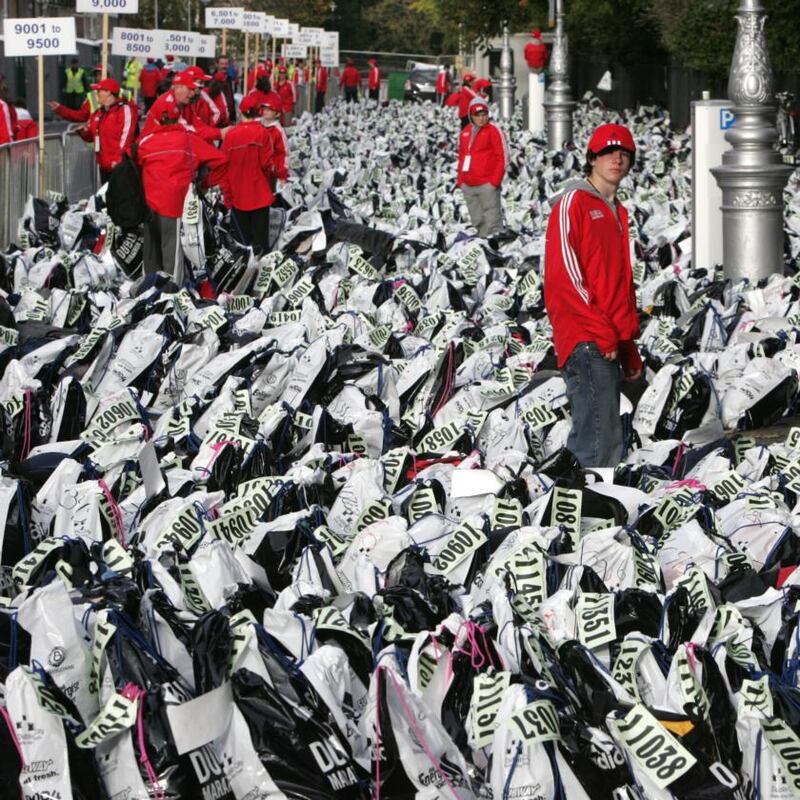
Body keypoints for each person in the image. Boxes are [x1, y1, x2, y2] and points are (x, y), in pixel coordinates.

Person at [543, 123, 642, 468]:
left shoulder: (617, 211)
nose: (617, 158)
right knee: (597, 444)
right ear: (591, 159)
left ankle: (593, 508)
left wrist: (628, 345)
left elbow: (619, 285)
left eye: (624, 153)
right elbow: (564, 277)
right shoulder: (574, 202)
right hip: (587, 338)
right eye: (607, 152)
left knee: (606, 436)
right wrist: (602, 332)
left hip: (608, 339)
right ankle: (585, 514)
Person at [137, 104, 228, 282]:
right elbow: (221, 160)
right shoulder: (188, 140)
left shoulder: (145, 142)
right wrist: (205, 183)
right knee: (173, 254)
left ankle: (148, 291)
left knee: (151, 252)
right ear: (179, 119)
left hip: (148, 205)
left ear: (157, 120)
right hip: (175, 204)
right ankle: (171, 293)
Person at [221, 91, 275, 254]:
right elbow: (268, 165)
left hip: (238, 198)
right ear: (258, 112)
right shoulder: (263, 133)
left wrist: (227, 195)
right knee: (261, 248)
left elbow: (222, 166)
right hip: (260, 196)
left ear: (240, 111)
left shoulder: (230, 136)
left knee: (241, 249)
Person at [456, 97, 508, 239]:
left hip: (487, 184)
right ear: (470, 116)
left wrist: (494, 182)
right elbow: (461, 156)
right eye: (477, 115)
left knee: (493, 221)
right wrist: (461, 181)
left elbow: (503, 157)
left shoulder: (493, 131)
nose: (481, 118)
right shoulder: (465, 132)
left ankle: (497, 248)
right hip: (468, 184)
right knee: (477, 220)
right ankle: (485, 247)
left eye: (484, 114)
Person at [78, 77, 138, 184]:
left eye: (99, 91)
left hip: (118, 165)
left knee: (119, 197)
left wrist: (119, 160)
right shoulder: (98, 113)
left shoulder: (123, 110)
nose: (97, 94)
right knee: (106, 198)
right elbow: (92, 136)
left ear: (109, 92)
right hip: (104, 165)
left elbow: (126, 137)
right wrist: (83, 132)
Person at [141, 70, 228, 143]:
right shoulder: (167, 104)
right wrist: (219, 133)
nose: (193, 93)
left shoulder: (185, 103)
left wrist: (221, 132)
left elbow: (198, 125)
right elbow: (186, 130)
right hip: (151, 146)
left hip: (166, 144)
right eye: (190, 89)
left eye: (194, 89)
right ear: (177, 88)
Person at [259, 91, 288, 191]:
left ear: (277, 113)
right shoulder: (258, 125)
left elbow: (284, 154)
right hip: (257, 171)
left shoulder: (278, 131)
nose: (265, 111)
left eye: (270, 109)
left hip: (270, 174)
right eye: (264, 108)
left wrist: (282, 176)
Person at [215, 54, 238, 122]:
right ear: (217, 65)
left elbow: (231, 98)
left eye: (226, 64)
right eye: (222, 64)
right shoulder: (211, 79)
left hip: (229, 118)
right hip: (217, 118)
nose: (224, 66)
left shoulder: (230, 79)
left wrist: (233, 117)